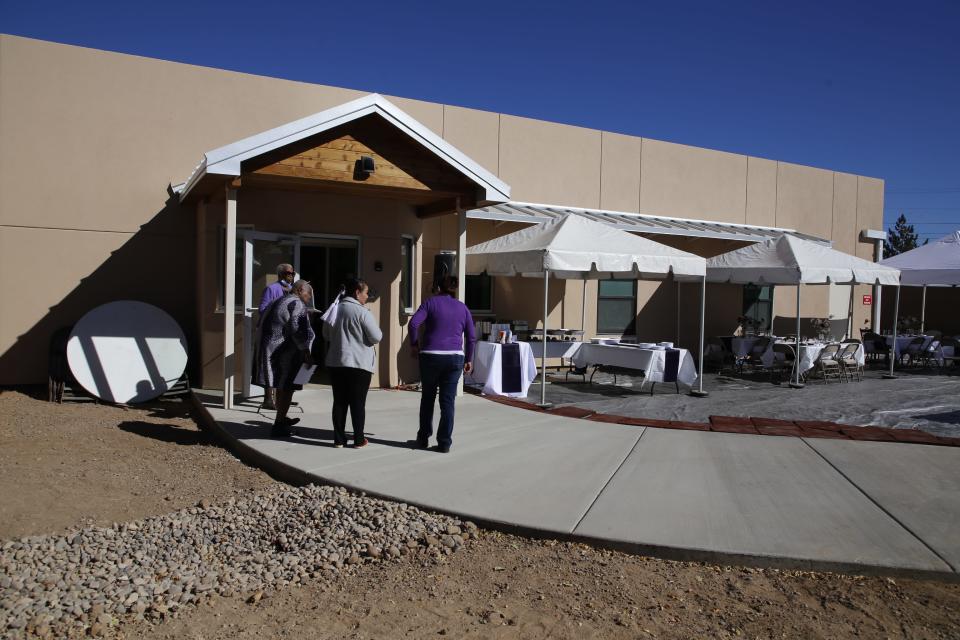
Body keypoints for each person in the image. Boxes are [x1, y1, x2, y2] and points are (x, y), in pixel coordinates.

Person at [409, 276, 475, 453]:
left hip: (430, 356)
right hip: (454, 358)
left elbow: (414, 323)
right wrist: (469, 358)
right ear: (456, 288)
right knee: (447, 402)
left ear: (438, 287)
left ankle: (423, 438)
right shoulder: (463, 308)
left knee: (427, 399)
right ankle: (444, 442)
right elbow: (471, 336)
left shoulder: (430, 303)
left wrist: (414, 345)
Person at [323, 277, 382, 448]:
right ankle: (358, 439)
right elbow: (377, 336)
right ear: (357, 292)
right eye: (365, 293)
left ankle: (339, 439)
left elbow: (326, 334)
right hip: (358, 363)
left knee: (339, 401)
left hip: (336, 362)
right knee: (357, 402)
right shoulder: (362, 312)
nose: (367, 296)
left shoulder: (334, 308)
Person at [255, 280, 315, 437]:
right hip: (284, 353)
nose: (309, 299)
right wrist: (306, 350)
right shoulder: (296, 304)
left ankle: (281, 417)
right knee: (288, 388)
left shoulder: (279, 300)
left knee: (281, 386)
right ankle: (279, 424)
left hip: (271, 350)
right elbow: (297, 329)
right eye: (309, 294)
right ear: (301, 290)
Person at [256, 264, 296, 409]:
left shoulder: (293, 290)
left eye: (292, 273)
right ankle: (268, 399)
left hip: (287, 333)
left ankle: (282, 398)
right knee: (269, 365)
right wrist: (279, 307)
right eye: (288, 273)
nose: (291, 275)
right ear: (280, 274)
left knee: (284, 366)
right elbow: (262, 309)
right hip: (273, 332)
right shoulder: (271, 289)